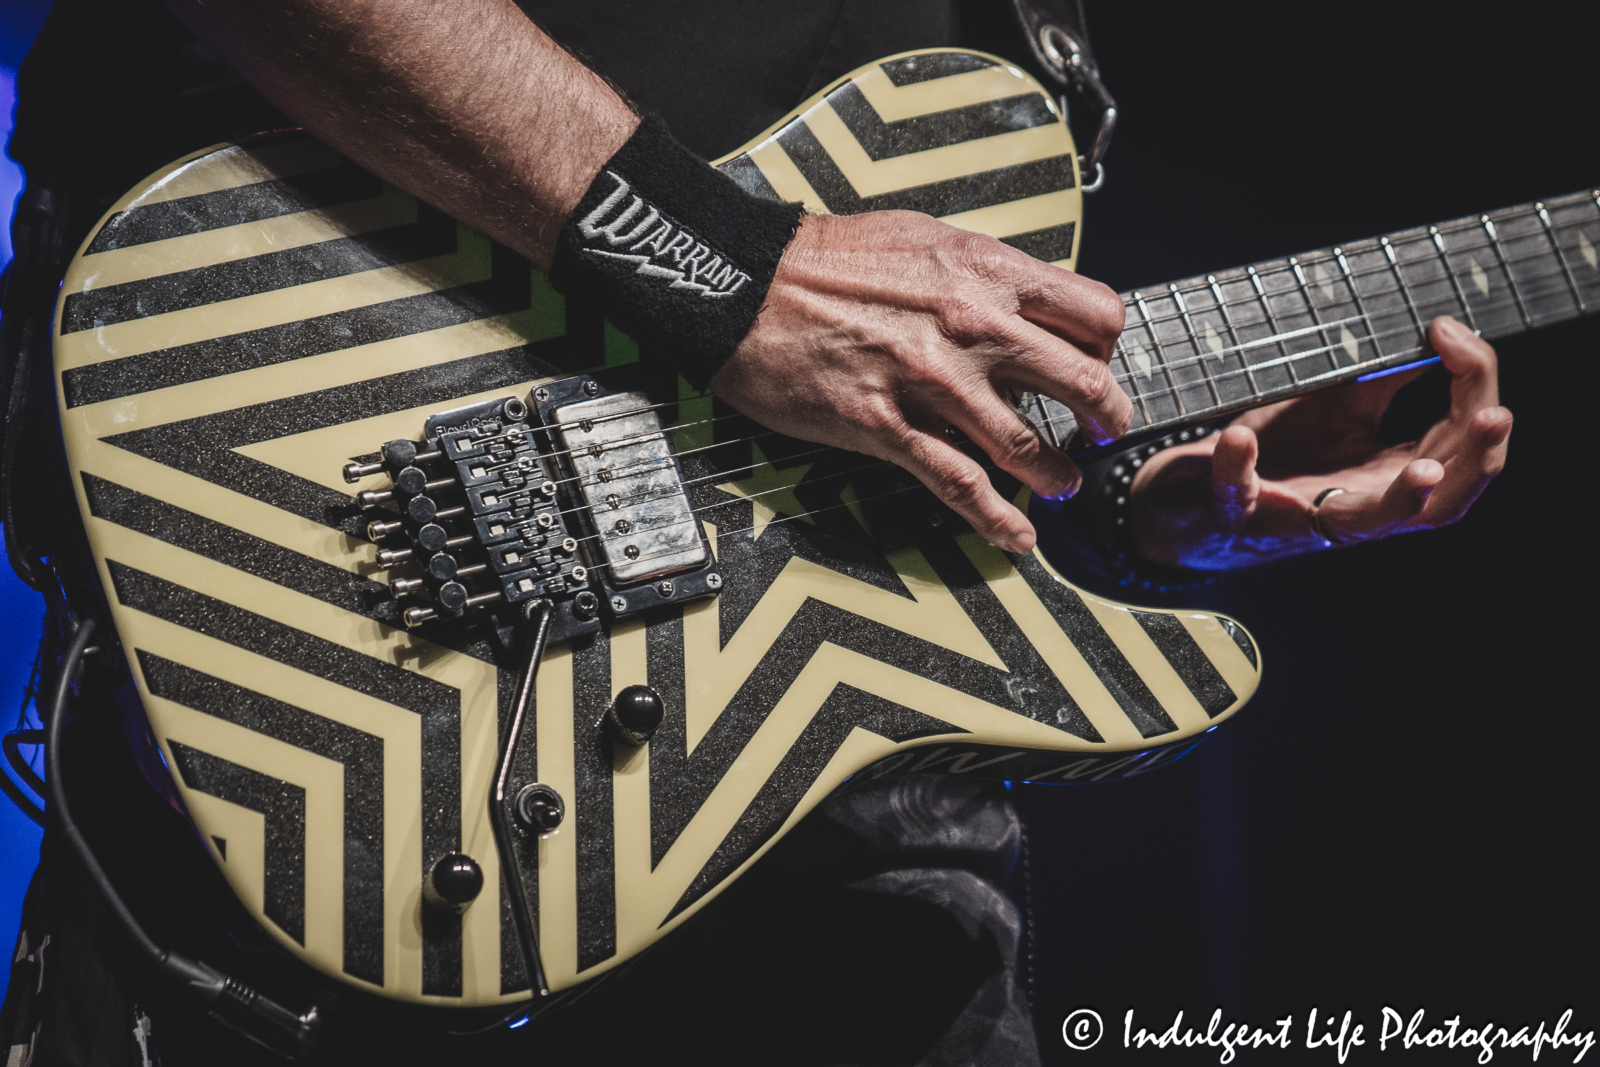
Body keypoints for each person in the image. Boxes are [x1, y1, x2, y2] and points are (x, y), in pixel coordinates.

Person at [0, 0, 1511, 1063]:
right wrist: (731, 274)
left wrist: (1128, 506)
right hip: (366, 692)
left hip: (868, 889)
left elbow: (860, 397)